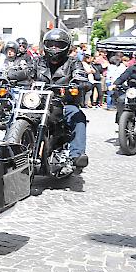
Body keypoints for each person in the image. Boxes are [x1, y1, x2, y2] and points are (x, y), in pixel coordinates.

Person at [29, 28, 91, 168]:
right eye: (51, 44)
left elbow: (80, 73)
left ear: (66, 47)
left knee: (78, 116)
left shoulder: (73, 62)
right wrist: (10, 74)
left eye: (58, 45)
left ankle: (77, 155)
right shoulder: (38, 62)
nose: (54, 48)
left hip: (63, 103)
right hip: (38, 103)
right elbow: (25, 70)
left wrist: (80, 81)